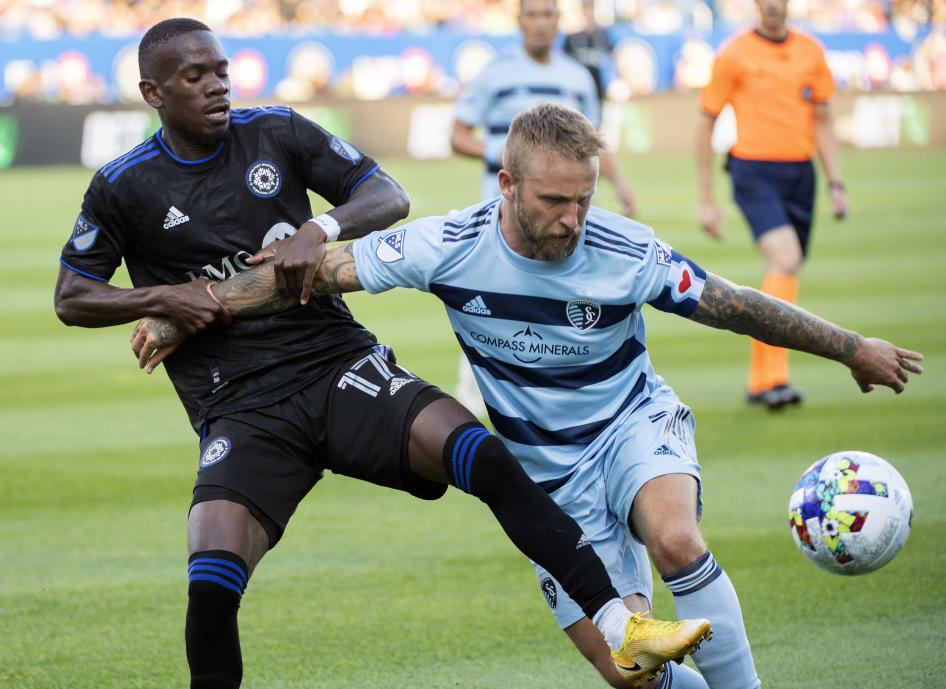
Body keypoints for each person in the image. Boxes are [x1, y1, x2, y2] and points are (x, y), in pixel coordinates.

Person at [133, 102, 926, 688]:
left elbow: (736, 302)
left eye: (582, 198)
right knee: (630, 675)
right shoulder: (447, 244)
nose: (574, 217)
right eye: (554, 200)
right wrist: (186, 313)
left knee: (674, 538)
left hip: (630, 425)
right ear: (507, 185)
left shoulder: (624, 249)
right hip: (546, 476)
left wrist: (851, 347)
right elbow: (310, 274)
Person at [54, 19, 709, 689]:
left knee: (485, 458)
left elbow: (387, 194)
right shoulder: (123, 185)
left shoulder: (275, 130)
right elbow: (71, 295)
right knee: (212, 584)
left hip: (337, 366)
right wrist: (165, 298)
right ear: (151, 92)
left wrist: (320, 226)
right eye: (195, 77)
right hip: (240, 409)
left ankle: (619, 623)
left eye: (222, 70)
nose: (217, 85)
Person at [450, 0, 636, 417]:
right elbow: (457, 134)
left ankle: (561, 396)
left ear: (558, 21)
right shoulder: (495, 72)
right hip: (503, 216)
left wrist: (621, 184)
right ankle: (471, 404)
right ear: (520, 20)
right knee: (489, 305)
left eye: (548, 15)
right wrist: (509, 156)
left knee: (561, 300)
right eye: (532, 14)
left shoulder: (575, 77)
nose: (540, 24)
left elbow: (593, 143)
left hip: (560, 216)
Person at [696, 0, 850, 410]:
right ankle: (774, 380)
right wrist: (707, 200)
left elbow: (823, 119)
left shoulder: (810, 51)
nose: (770, 6)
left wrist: (835, 183)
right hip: (753, 170)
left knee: (785, 267)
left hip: (801, 174)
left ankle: (760, 380)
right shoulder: (734, 53)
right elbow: (706, 119)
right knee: (785, 257)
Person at [562, 0, 615, 104]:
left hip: (599, 90)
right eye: (586, 8)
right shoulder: (572, 38)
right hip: (577, 89)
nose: (589, 12)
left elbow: (612, 62)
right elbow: (564, 62)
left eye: (590, 8)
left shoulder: (604, 37)